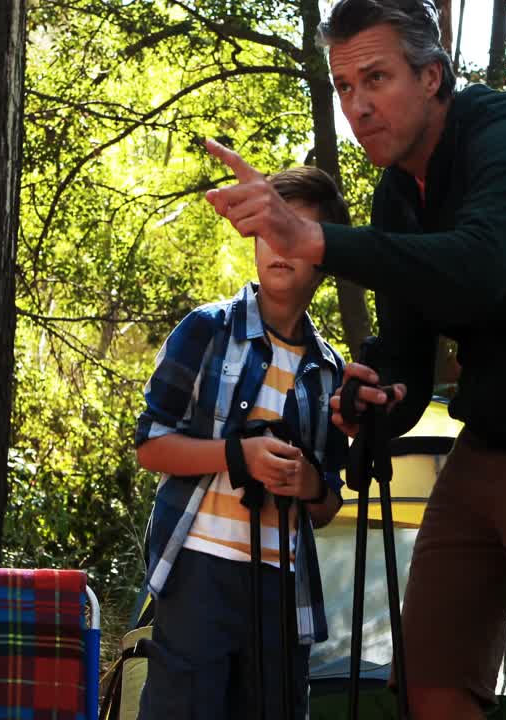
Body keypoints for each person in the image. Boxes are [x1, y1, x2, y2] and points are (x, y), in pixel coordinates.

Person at [200, 1, 506, 718]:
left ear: (433, 76)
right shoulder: (399, 195)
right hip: (488, 443)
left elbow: (479, 267)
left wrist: (315, 239)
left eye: (377, 78)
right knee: (431, 680)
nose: (359, 106)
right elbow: (410, 362)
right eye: (344, 86)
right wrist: (376, 393)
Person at [134, 166, 351, 720]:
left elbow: (328, 504)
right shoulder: (207, 330)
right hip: (198, 568)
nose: (281, 245)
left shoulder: (329, 372)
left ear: (323, 256)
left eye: (298, 232)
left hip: (282, 585)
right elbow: (151, 446)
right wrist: (239, 455)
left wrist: (308, 484)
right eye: (270, 229)